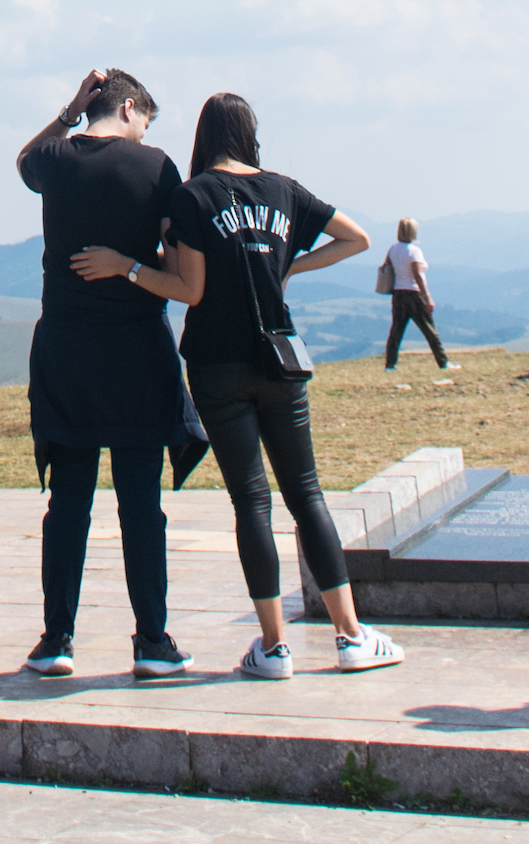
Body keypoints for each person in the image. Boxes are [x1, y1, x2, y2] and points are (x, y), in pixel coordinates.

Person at [81, 92, 404, 679]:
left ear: (204, 135)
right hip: (281, 359)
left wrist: (125, 267)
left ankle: (274, 648)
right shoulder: (283, 190)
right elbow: (355, 238)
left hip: (216, 367)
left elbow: (190, 291)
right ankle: (352, 636)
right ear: (250, 132)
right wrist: (287, 266)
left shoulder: (193, 196)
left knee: (251, 502)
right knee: (307, 495)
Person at [16, 67, 206, 680]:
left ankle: (56, 640)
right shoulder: (156, 169)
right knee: (140, 507)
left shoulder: (58, 159)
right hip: (136, 354)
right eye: (145, 122)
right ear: (129, 108)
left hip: (66, 352)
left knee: (68, 504)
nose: (146, 136)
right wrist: (128, 265)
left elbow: (25, 160)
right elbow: (175, 269)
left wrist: (70, 108)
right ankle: (153, 639)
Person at [376, 218, 448, 373]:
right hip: (414, 294)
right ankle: (443, 362)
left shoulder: (392, 249)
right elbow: (418, 276)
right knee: (429, 330)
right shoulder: (414, 251)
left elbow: (386, 267)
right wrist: (427, 298)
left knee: (396, 330)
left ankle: (390, 365)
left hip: (398, 294)